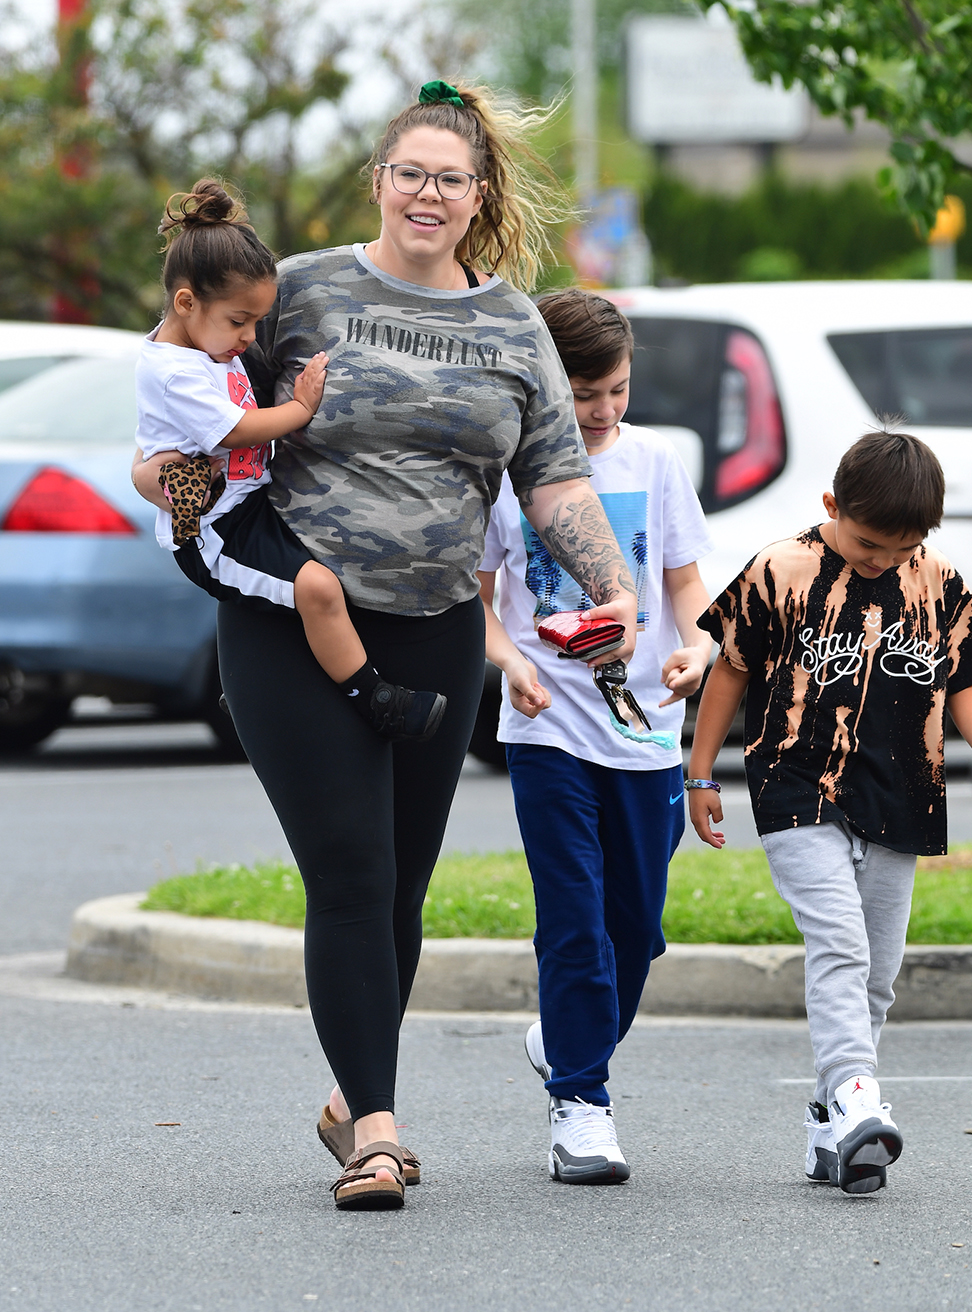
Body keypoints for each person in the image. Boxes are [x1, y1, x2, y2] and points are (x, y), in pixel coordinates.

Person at [132, 80, 639, 1210]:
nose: (427, 193)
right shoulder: (299, 290)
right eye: (408, 172)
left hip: (439, 628)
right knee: (351, 869)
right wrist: (159, 476)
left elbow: (554, 476)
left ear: (477, 195)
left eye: (449, 178)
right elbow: (187, 384)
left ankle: (349, 1090)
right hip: (290, 622)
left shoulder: (514, 324)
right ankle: (376, 1130)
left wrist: (613, 589)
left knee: (402, 888)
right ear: (379, 181)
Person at [687, 430, 972, 1194]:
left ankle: (834, 1122)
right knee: (838, 942)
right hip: (796, 786)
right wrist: (699, 772)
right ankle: (861, 1097)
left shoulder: (940, 581)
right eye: (868, 543)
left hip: (904, 789)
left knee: (878, 972)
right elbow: (729, 671)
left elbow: (963, 682)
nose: (882, 561)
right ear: (833, 506)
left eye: (902, 549)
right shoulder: (779, 568)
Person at [477, 289, 713, 1183]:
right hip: (548, 733)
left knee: (636, 931)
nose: (604, 410)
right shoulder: (506, 473)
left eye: (616, 390)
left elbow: (687, 585)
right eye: (584, 393)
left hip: (648, 730)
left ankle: (562, 1038)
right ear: (542, 383)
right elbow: (478, 598)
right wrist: (513, 663)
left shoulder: (654, 462)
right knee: (574, 924)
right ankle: (582, 1104)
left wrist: (698, 646)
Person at [133, 178, 445, 742]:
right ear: (186, 302)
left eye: (257, 321)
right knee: (317, 590)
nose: (249, 337)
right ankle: (376, 701)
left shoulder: (198, 345)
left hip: (249, 504)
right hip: (214, 529)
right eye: (239, 321)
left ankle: (258, 686)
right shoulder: (175, 371)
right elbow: (239, 430)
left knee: (327, 565)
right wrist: (301, 408)